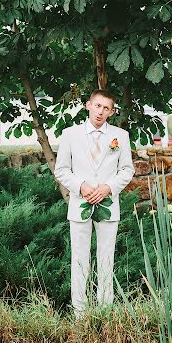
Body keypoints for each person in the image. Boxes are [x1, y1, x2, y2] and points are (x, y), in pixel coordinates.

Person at [54, 89, 134, 317]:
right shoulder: (70, 134)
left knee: (106, 260)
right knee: (79, 261)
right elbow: (61, 170)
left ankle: (104, 312)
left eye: (106, 108)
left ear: (111, 112)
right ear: (88, 105)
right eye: (97, 106)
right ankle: (80, 314)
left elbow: (127, 170)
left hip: (108, 206)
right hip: (80, 204)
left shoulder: (120, 136)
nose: (101, 111)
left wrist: (108, 187)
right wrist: (81, 186)